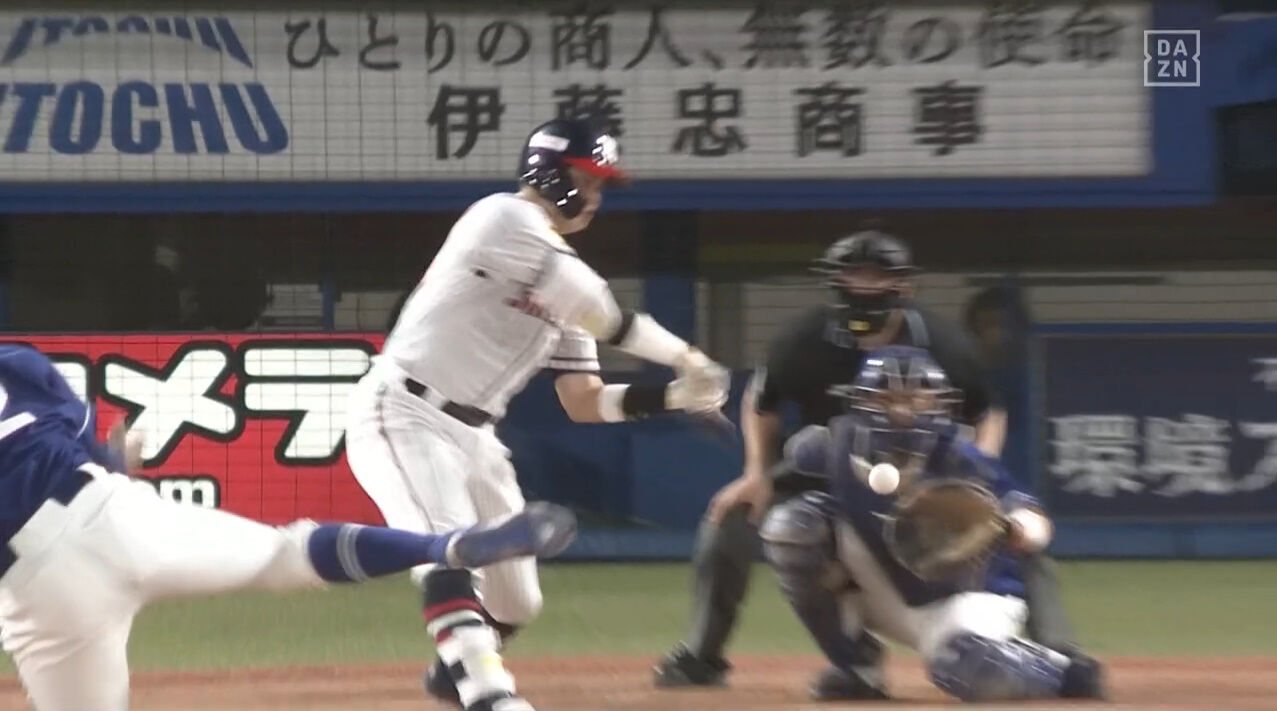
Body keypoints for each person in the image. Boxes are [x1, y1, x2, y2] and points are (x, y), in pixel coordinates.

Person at [344, 117, 732, 711]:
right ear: (549, 172)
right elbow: (604, 314)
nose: (596, 196)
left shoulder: (559, 271)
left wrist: (677, 397)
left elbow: (585, 401)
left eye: (601, 185)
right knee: (451, 553)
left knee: (517, 602)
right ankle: (486, 692)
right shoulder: (504, 218)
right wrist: (688, 358)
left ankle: (455, 666)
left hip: (476, 436)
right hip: (405, 413)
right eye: (588, 179)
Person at [0, 343, 578, 711]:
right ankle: (443, 545)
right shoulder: (16, 365)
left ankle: (445, 545)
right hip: (107, 511)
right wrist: (118, 459)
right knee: (287, 553)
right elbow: (73, 456)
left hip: (38, 589)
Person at [655, 227, 1005, 695]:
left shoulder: (942, 343)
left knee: (1009, 529)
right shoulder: (807, 338)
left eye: (876, 276)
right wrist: (755, 473)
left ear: (904, 286)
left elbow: (988, 412)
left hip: (920, 476)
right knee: (732, 518)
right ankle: (710, 657)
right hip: (826, 469)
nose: (864, 286)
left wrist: (979, 471)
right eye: (853, 275)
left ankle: (1055, 649)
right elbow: (762, 400)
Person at [758, 346, 1104, 702]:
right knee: (793, 529)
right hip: (884, 589)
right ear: (860, 403)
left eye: (917, 399)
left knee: (978, 671)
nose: (902, 412)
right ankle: (857, 668)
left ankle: (1062, 671)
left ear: (940, 404)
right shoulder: (835, 446)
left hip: (961, 600)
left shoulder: (962, 459)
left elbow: (1031, 516)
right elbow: (792, 462)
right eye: (886, 399)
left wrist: (1014, 527)